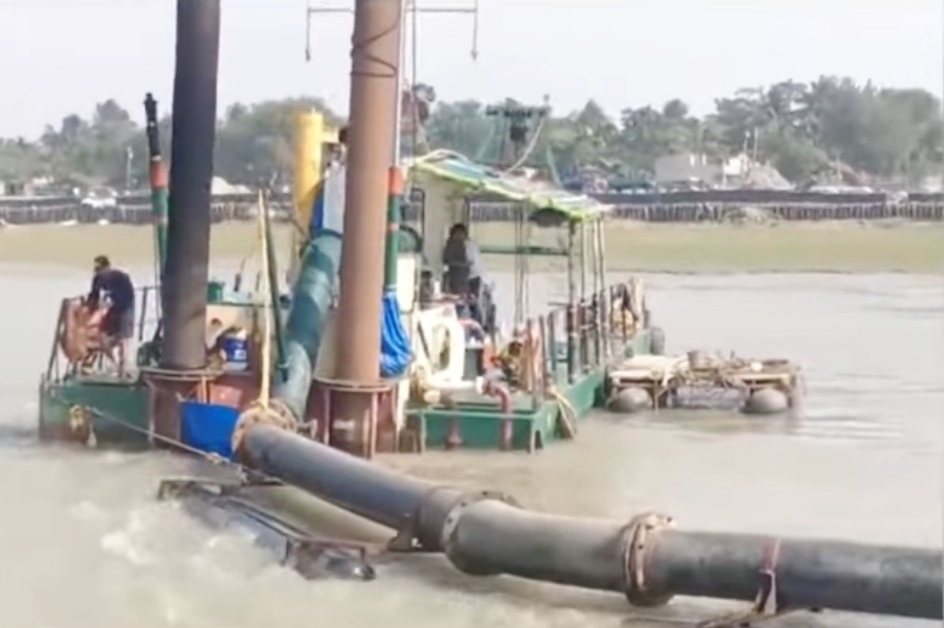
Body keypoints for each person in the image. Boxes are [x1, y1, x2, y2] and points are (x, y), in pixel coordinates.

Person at [87, 255, 136, 376]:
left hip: (125, 309)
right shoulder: (97, 279)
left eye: (101, 269)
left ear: (108, 267)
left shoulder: (121, 278)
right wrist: (90, 307)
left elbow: (128, 298)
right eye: (97, 269)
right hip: (113, 309)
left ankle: (124, 368)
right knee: (102, 337)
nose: (99, 272)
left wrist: (110, 304)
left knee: (124, 340)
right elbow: (94, 296)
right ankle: (114, 364)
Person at [441, 223, 483, 296]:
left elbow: (473, 261)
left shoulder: (469, 245)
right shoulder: (452, 245)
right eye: (457, 234)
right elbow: (446, 260)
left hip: (471, 278)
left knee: (471, 300)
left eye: (461, 234)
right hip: (459, 279)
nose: (459, 236)